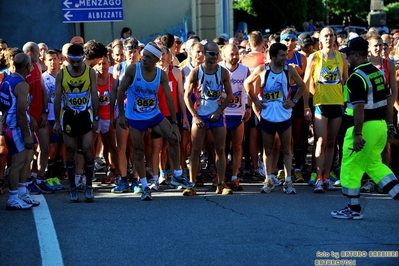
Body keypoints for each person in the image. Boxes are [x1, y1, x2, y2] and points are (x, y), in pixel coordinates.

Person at [331, 37, 399, 219]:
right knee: (374, 164)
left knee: (352, 165)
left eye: (348, 56)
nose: (347, 59)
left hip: (363, 128)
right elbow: (388, 101)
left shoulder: (356, 77)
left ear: (356, 55)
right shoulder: (378, 73)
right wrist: (390, 124)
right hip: (380, 126)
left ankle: (353, 209)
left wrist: (358, 133)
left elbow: (359, 107)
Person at [117, 43, 193, 200]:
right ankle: (145, 186)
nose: (144, 59)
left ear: (156, 60)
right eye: (143, 56)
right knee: (139, 150)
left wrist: (174, 122)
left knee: (174, 137)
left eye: (148, 57)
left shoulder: (160, 75)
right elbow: (120, 91)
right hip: (135, 117)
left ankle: (177, 175)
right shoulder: (133, 70)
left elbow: (170, 99)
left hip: (153, 114)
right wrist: (122, 115)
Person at [244, 42, 309, 194]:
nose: (285, 58)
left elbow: (302, 85)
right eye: (282, 55)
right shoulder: (263, 69)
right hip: (267, 116)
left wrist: (293, 101)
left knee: (287, 148)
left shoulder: (289, 70)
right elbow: (247, 83)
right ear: (273, 56)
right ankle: (268, 179)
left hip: (284, 115)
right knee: (268, 149)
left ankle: (288, 181)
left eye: (286, 55)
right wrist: (255, 100)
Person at [184, 41, 234, 196]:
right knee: (195, 150)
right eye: (211, 53)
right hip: (200, 115)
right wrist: (195, 116)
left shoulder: (223, 72)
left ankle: (220, 183)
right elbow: (186, 96)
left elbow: (230, 95)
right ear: (204, 53)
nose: (215, 56)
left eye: (217, 54)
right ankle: (192, 185)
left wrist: (219, 111)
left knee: (220, 149)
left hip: (217, 116)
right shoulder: (196, 72)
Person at [303, 27, 348, 192]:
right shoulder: (314, 57)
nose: (329, 38)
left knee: (332, 142)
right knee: (320, 141)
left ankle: (327, 177)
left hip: (337, 104)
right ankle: (319, 177)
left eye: (331, 35)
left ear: (335, 38)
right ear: (320, 39)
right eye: (326, 36)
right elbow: (306, 83)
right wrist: (306, 106)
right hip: (320, 104)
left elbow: (346, 82)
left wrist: (347, 103)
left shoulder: (341, 57)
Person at [53, 44, 99, 202]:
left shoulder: (90, 72)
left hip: (85, 115)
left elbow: (94, 94)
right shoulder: (62, 74)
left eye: (78, 61)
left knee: (87, 151)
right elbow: (57, 98)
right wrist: (57, 122)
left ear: (83, 59)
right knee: (71, 150)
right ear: (68, 59)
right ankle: (72, 186)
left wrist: (97, 118)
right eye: (72, 61)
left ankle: (88, 186)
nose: (76, 64)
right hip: (69, 115)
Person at [0, 53, 39, 210]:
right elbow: (20, 113)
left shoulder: (7, 79)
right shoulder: (22, 85)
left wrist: (31, 119)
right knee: (18, 162)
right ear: (28, 66)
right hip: (16, 127)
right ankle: (13, 198)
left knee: (28, 157)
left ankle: (22, 192)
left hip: (18, 124)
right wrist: (27, 135)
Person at [23, 42, 52, 194]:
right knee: (29, 150)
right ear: (30, 53)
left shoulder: (37, 67)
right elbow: (21, 99)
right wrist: (29, 117)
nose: (40, 55)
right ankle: (28, 181)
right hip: (28, 117)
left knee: (45, 147)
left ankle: (40, 179)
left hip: (40, 115)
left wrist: (45, 111)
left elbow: (43, 90)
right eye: (37, 53)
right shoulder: (23, 70)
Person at [221, 44, 250, 190]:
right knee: (222, 148)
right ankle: (221, 177)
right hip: (223, 114)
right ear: (224, 55)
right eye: (231, 54)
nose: (235, 56)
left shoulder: (245, 70)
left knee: (238, 147)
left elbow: (249, 89)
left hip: (238, 113)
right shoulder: (218, 69)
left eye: (236, 53)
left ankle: (234, 177)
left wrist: (249, 107)